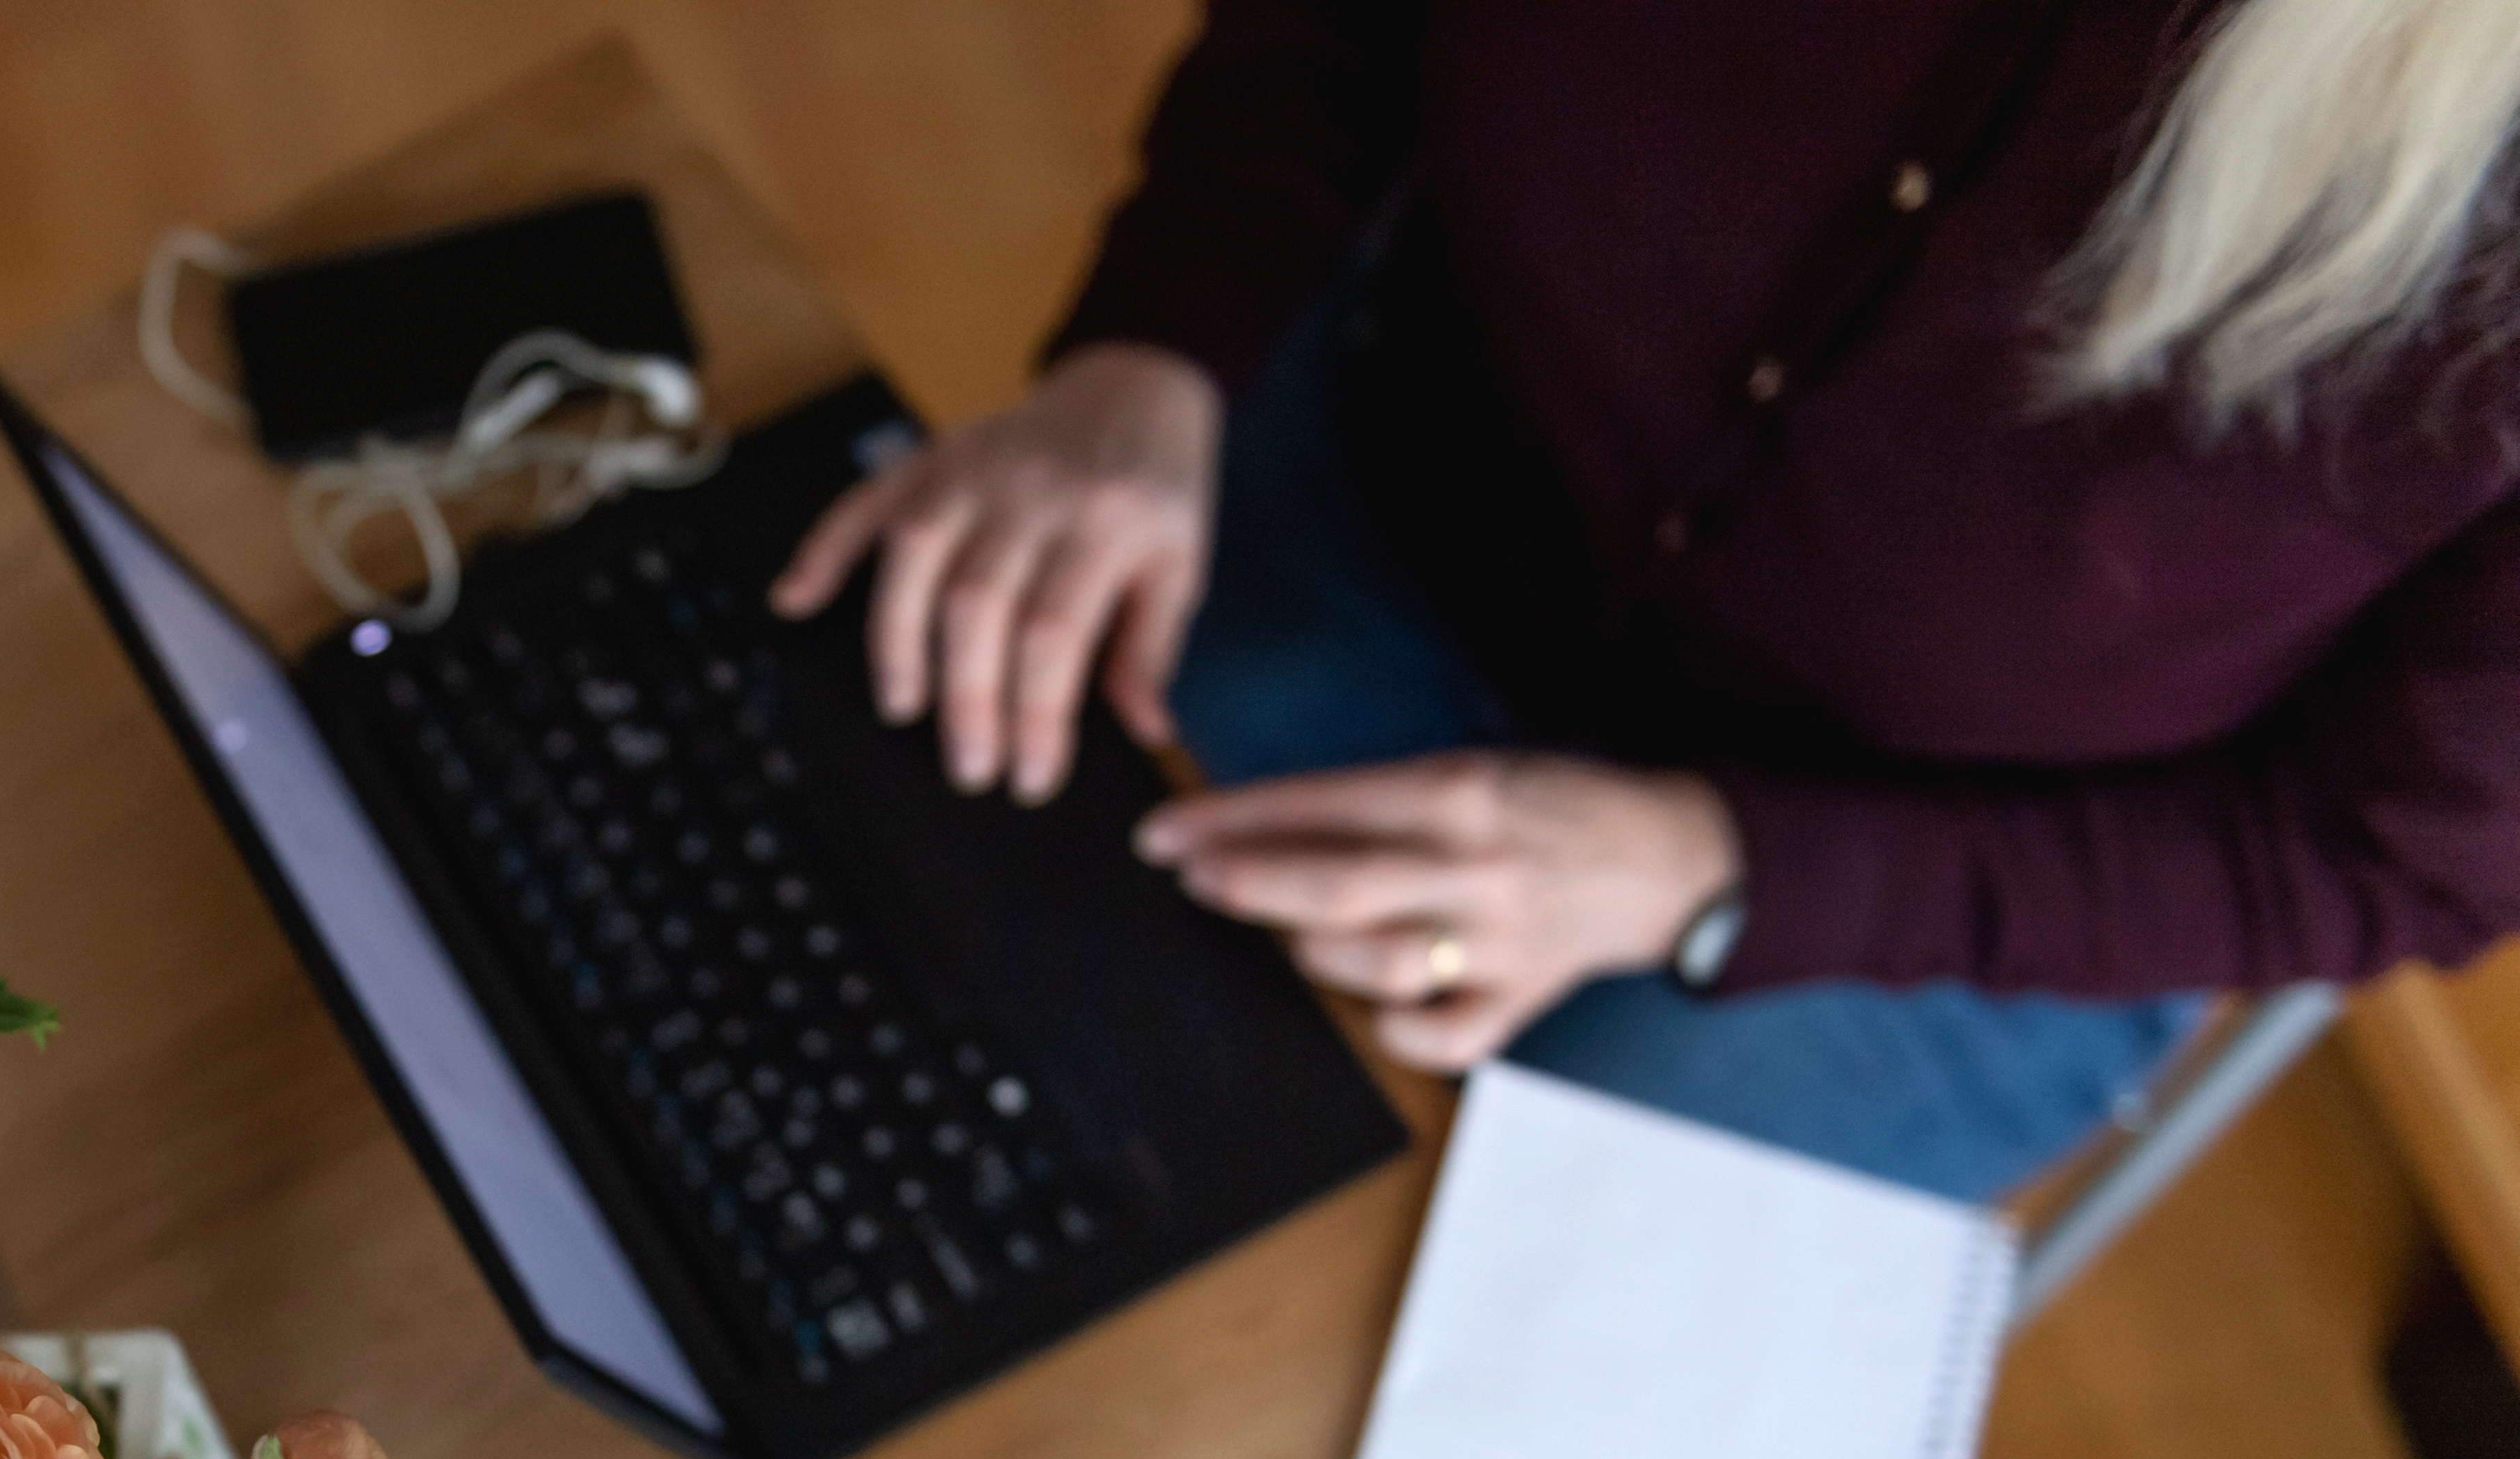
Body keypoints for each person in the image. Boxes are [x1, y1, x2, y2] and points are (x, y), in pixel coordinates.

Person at [770, 0, 2520, 1199]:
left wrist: (1707, 867)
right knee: (838, 945)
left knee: (1420, 1411)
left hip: (1965, 889)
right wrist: (1151, 348)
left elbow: (2394, 852)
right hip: (1406, 480)